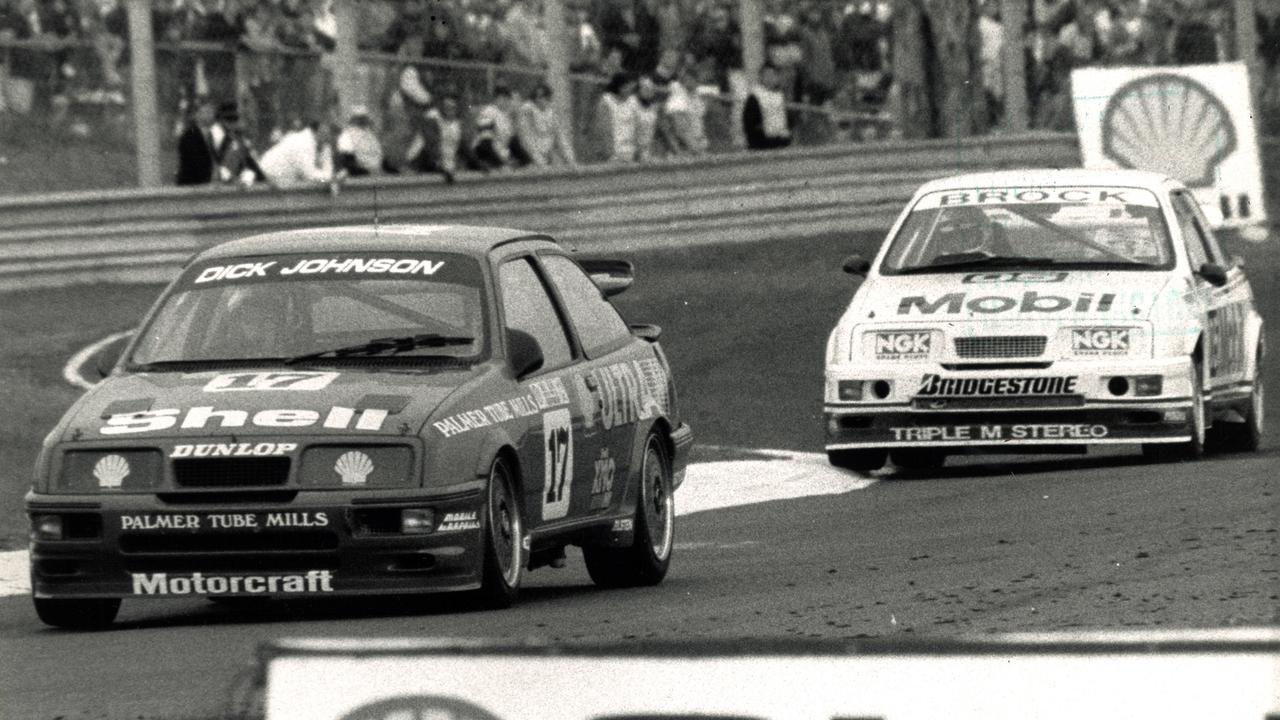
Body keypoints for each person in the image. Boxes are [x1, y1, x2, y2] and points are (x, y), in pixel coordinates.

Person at [258, 121, 340, 189]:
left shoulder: (324, 145)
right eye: (326, 132)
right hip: (267, 179)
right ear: (318, 131)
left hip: (286, 181)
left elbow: (327, 172)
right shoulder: (303, 142)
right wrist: (333, 178)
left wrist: (331, 178)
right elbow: (310, 175)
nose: (330, 138)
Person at [515, 83, 577, 167]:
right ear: (535, 98)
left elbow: (561, 138)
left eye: (546, 98)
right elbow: (525, 139)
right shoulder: (527, 110)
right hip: (527, 154)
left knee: (559, 163)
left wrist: (570, 159)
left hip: (545, 153)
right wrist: (538, 159)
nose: (542, 100)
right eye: (539, 97)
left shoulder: (551, 113)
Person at [662, 65, 709, 157]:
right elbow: (680, 129)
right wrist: (694, 148)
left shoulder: (698, 96)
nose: (687, 82)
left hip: (700, 146)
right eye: (685, 79)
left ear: (697, 80)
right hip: (684, 150)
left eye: (691, 79)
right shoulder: (677, 97)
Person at [742, 63, 791, 150]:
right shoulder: (755, 96)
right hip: (763, 145)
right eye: (766, 75)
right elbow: (750, 124)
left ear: (777, 77)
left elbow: (786, 120)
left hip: (781, 143)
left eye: (773, 75)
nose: (769, 78)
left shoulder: (780, 96)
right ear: (761, 77)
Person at [593, 73, 638, 163]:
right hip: (614, 151)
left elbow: (636, 125)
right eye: (627, 87)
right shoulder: (606, 101)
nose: (630, 90)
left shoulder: (633, 101)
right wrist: (610, 154)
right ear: (620, 87)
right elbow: (604, 129)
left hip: (630, 149)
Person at [175, 96, 219, 185]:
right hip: (192, 186)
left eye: (211, 112)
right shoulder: (188, 136)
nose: (210, 115)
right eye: (206, 112)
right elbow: (192, 163)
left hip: (210, 185)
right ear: (196, 115)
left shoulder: (215, 134)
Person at [472, 85, 517, 171]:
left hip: (500, 160)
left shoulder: (506, 115)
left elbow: (509, 144)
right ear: (496, 98)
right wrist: (500, 163)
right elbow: (485, 144)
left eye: (507, 98)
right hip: (485, 159)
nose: (505, 101)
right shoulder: (488, 112)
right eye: (501, 97)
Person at [336, 105, 385, 177]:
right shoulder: (346, 136)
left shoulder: (372, 136)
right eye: (359, 118)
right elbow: (348, 164)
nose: (361, 121)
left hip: (377, 175)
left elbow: (379, 157)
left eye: (363, 118)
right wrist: (367, 172)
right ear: (353, 119)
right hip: (358, 179)